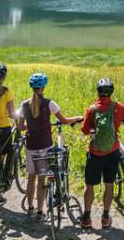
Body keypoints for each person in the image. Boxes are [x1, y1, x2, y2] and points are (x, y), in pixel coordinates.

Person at [15, 71, 80, 219]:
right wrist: (77, 117)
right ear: (43, 87)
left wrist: (29, 128)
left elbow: (20, 127)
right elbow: (64, 120)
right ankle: (40, 211)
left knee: (31, 177)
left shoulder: (24, 105)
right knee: (42, 179)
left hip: (30, 146)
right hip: (45, 146)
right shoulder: (50, 103)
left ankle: (30, 208)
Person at [79, 77, 124, 229]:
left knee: (89, 185)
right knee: (109, 184)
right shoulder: (117, 107)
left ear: (98, 92)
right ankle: (105, 217)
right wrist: (122, 121)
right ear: (111, 92)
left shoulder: (92, 109)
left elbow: (85, 130)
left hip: (95, 153)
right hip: (112, 152)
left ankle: (86, 217)